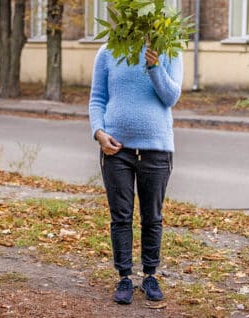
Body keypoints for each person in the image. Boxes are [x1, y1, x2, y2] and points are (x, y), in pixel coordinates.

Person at [89, 42, 183, 304]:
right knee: (121, 216)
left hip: (157, 149)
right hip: (116, 151)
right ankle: (124, 277)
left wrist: (154, 66)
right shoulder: (108, 51)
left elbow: (171, 96)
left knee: (152, 217)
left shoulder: (168, 49)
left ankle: (150, 275)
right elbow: (98, 98)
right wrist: (98, 132)